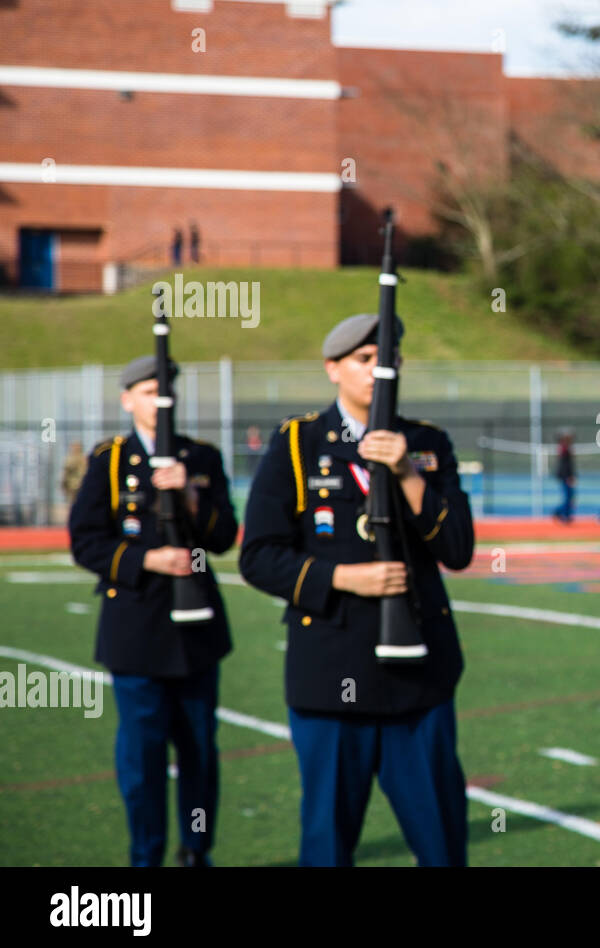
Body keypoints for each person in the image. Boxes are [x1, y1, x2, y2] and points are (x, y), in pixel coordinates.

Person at [238, 313, 474, 866]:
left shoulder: (428, 444)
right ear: (332, 369)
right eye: (363, 360)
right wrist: (344, 579)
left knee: (442, 843)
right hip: (331, 678)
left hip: (419, 680)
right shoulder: (297, 443)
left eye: (387, 359)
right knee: (327, 843)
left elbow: (458, 550)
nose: (378, 370)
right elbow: (259, 557)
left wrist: (409, 473)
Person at [68, 355, 238, 867]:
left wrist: (188, 495)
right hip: (136, 632)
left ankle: (195, 851)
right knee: (142, 760)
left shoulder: (201, 459)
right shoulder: (110, 461)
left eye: (167, 393)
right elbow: (86, 542)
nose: (160, 402)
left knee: (200, 755)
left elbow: (225, 537)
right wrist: (149, 560)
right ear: (127, 400)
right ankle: (146, 858)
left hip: (196, 635)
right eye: (147, 392)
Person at [553, 429, 577, 522]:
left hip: (566, 476)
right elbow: (565, 465)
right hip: (566, 476)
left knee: (570, 497)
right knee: (568, 497)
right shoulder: (564, 448)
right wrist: (569, 477)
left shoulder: (565, 448)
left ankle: (561, 513)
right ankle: (563, 514)